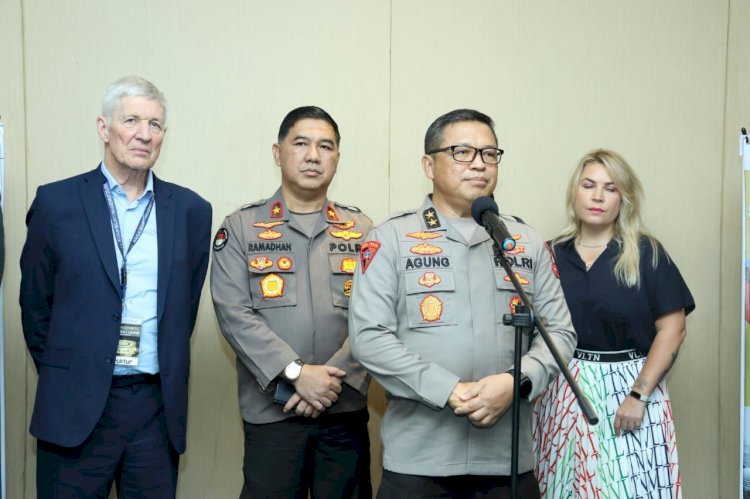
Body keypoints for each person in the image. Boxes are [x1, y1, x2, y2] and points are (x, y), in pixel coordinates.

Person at [348, 108, 576, 498]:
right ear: (428, 164)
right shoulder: (391, 239)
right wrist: (449, 390)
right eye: (462, 152)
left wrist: (515, 382)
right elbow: (369, 338)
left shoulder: (526, 241)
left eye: (490, 154)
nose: (479, 164)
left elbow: (559, 333)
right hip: (420, 461)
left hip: (506, 459)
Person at [20, 76, 212, 497]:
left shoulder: (191, 211)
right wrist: (74, 368)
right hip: (76, 407)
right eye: (132, 120)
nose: (145, 134)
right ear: (104, 128)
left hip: (154, 410)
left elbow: (184, 308)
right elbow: (35, 307)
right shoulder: (56, 203)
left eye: (156, 124)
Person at [211, 106, 373, 498]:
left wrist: (328, 381)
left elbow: (377, 317)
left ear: (337, 157)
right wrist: (299, 374)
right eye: (301, 143)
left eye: (325, 146)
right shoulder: (241, 227)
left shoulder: (363, 230)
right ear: (277, 152)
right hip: (273, 412)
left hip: (344, 411)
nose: (313, 155)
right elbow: (234, 314)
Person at [532, 149, 695, 497]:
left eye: (610, 188)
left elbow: (673, 330)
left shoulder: (647, 253)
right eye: (589, 185)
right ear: (574, 192)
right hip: (562, 386)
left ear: (624, 198)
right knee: (560, 488)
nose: (597, 196)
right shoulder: (547, 255)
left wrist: (638, 394)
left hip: (631, 387)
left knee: (628, 489)